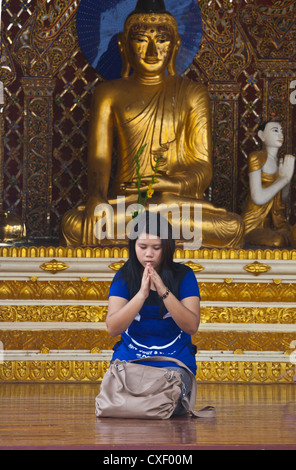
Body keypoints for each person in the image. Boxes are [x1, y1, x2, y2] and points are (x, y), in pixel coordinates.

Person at [61, 0, 244, 249]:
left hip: (175, 203)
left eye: (161, 40)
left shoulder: (192, 93)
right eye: (140, 40)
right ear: (123, 46)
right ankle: (164, 239)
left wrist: (168, 184)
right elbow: (99, 159)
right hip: (127, 204)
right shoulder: (108, 94)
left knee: (231, 227)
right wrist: (96, 197)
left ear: (176, 45)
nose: (152, 51)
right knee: (75, 224)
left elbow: (203, 167)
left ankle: (149, 236)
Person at [106, 211, 200, 415]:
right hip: (131, 361)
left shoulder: (184, 276)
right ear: (133, 247)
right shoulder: (124, 276)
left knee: (166, 401)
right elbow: (113, 328)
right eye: (142, 247)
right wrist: (141, 295)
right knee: (115, 395)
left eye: (156, 248)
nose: (149, 254)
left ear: (167, 248)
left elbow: (191, 326)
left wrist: (163, 290)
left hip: (173, 364)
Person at [242, 120, 296, 247]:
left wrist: (286, 182)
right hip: (253, 224)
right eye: (275, 131)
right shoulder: (256, 157)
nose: (280, 135)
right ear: (261, 135)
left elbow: (282, 199)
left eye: (282, 131)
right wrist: (283, 179)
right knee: (278, 240)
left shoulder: (281, 163)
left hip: (276, 224)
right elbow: (258, 198)